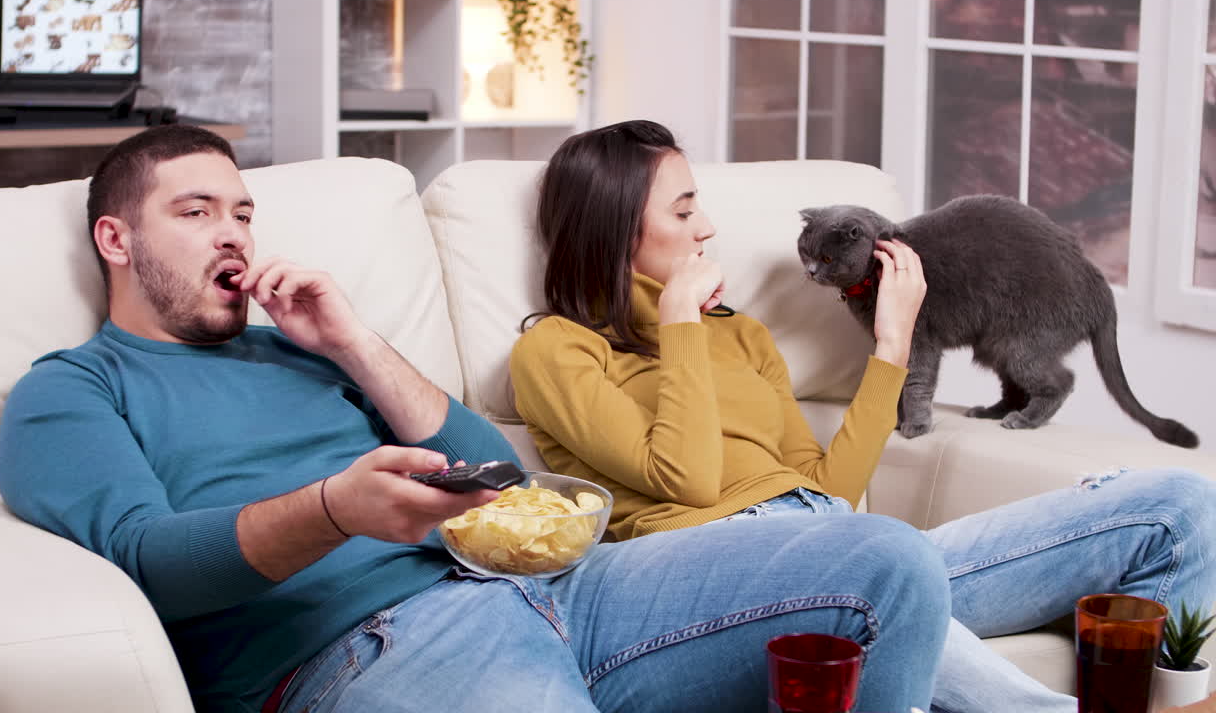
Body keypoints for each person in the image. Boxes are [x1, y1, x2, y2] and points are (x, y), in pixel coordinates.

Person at [0, 124, 953, 713]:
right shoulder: (73, 390)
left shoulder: (306, 349)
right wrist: (334, 509)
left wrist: (352, 342)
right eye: (197, 213)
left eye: (243, 213)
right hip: (363, 645)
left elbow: (499, 473)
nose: (234, 233)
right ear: (116, 239)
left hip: (556, 590)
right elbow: (148, 564)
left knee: (887, 561)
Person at [509, 119, 1216, 713]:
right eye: (685, 209)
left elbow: (828, 488)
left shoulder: (741, 333)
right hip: (717, 572)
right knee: (885, 554)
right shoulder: (555, 350)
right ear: (614, 226)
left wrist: (892, 346)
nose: (709, 225)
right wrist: (678, 321)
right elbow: (688, 481)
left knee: (1179, 507)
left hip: (850, 547)